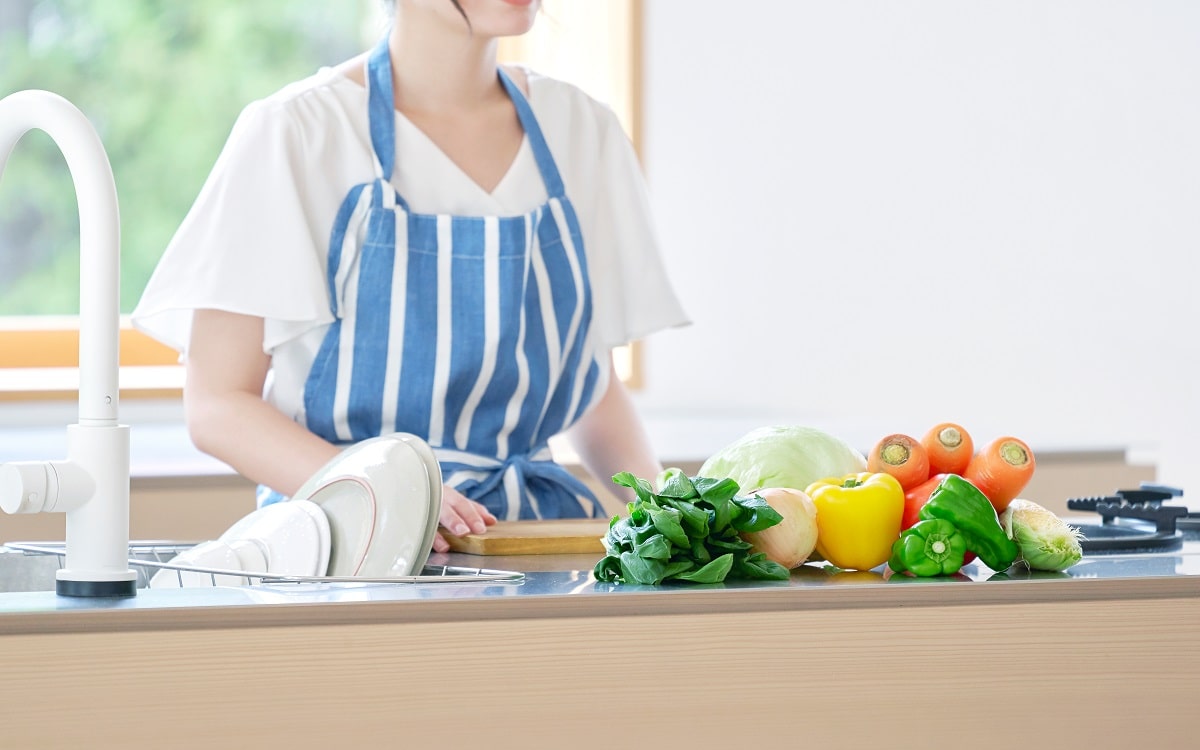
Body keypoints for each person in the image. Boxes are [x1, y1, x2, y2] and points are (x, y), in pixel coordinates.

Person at [131, 0, 688, 553]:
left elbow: (589, 383)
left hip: (526, 547)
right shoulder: (299, 130)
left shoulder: (583, 129)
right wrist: (389, 489)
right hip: (349, 548)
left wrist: (673, 514)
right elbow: (218, 405)